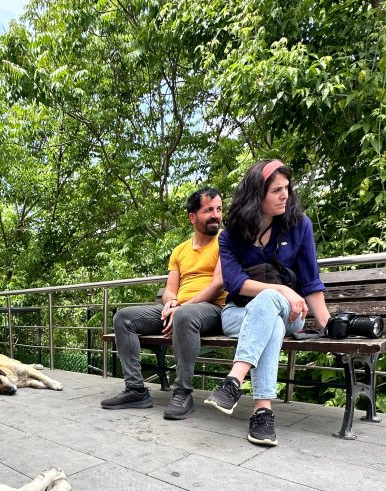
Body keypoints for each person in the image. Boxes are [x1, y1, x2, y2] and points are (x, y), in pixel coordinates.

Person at [203, 159, 330, 446]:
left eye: (286, 188)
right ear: (256, 195)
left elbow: (310, 282)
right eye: (276, 190)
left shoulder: (300, 226)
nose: (285, 195)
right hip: (238, 314)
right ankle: (262, 413)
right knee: (269, 312)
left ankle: (233, 381)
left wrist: (328, 324)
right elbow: (235, 284)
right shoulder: (231, 236)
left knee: (271, 302)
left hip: (291, 314)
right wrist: (281, 289)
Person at [101, 187, 227, 419]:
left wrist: (181, 308)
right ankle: (136, 389)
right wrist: (171, 303)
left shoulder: (225, 241)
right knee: (123, 317)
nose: (216, 215)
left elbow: (218, 283)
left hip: (212, 311)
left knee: (184, 316)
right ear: (192, 216)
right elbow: (170, 290)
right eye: (209, 210)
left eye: (218, 209)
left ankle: (183, 393)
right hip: (180, 310)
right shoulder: (180, 250)